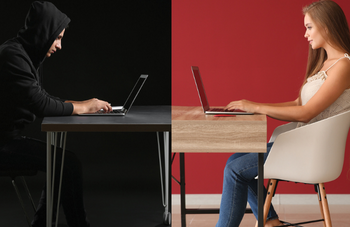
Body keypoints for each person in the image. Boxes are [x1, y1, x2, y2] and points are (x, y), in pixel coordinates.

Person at [216, 0, 350, 227]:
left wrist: (256, 107)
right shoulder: (327, 63)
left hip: (310, 151)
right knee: (235, 160)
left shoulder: (344, 66)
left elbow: (306, 113)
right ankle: (270, 221)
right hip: (301, 143)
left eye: (309, 27)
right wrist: (253, 105)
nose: (305, 34)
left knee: (235, 169)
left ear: (326, 26)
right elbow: (299, 102)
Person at [0, 1, 112, 226]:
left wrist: (85, 106)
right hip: (3, 143)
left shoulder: (23, 54)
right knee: (67, 164)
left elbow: (42, 98)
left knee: (61, 163)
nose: (60, 45)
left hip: (7, 139)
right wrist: (84, 107)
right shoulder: (13, 57)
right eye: (58, 37)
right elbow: (41, 105)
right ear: (43, 31)